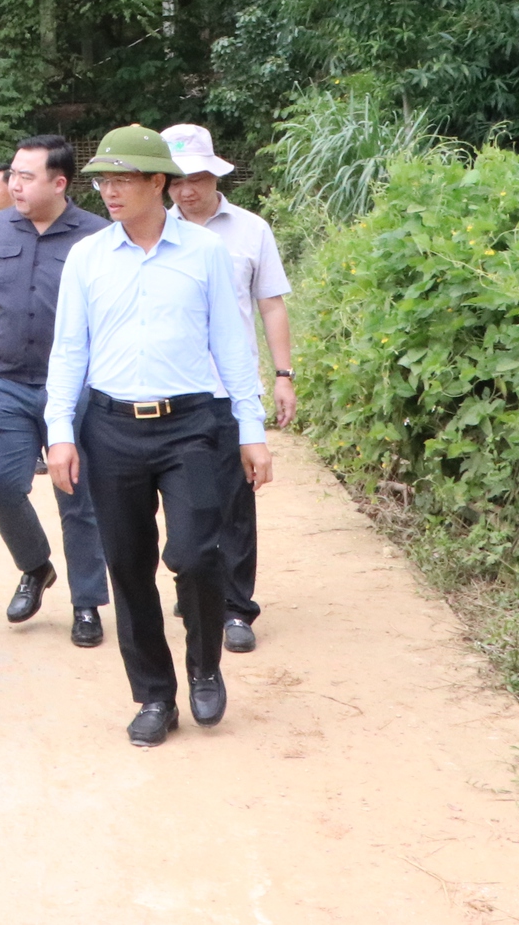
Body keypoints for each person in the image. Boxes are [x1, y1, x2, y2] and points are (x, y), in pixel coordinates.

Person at [43, 125, 272, 748]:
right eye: (102, 180)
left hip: (193, 424)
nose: (108, 191)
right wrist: (59, 431)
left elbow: (231, 343)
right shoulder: (88, 258)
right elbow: (69, 351)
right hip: (111, 427)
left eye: (121, 179)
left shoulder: (203, 253)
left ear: (158, 184)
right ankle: (153, 694)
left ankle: (204, 666)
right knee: (128, 563)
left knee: (197, 551)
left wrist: (251, 430)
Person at [0, 134, 111, 647]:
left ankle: (87, 603)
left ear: (59, 183)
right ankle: (35, 566)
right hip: (6, 380)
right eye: (12, 175)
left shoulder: (97, 237)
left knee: (78, 497)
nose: (13, 184)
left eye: (26, 176)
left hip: (77, 389)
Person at [163, 122, 296, 655]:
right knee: (183, 503)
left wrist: (283, 376)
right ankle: (194, 586)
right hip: (173, 391)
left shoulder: (249, 231)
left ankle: (237, 607)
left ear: (215, 175)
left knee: (235, 501)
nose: (186, 190)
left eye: (196, 178)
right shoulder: (152, 232)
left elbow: (270, 304)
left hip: (230, 389)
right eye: (175, 181)